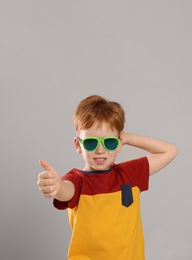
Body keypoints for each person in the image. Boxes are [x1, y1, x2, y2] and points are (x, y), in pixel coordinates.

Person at [37, 95, 178, 260]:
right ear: (78, 145)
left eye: (109, 142)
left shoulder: (129, 174)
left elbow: (169, 151)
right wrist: (56, 186)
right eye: (91, 143)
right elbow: (66, 190)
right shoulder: (76, 180)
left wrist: (128, 138)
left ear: (119, 144)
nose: (100, 150)